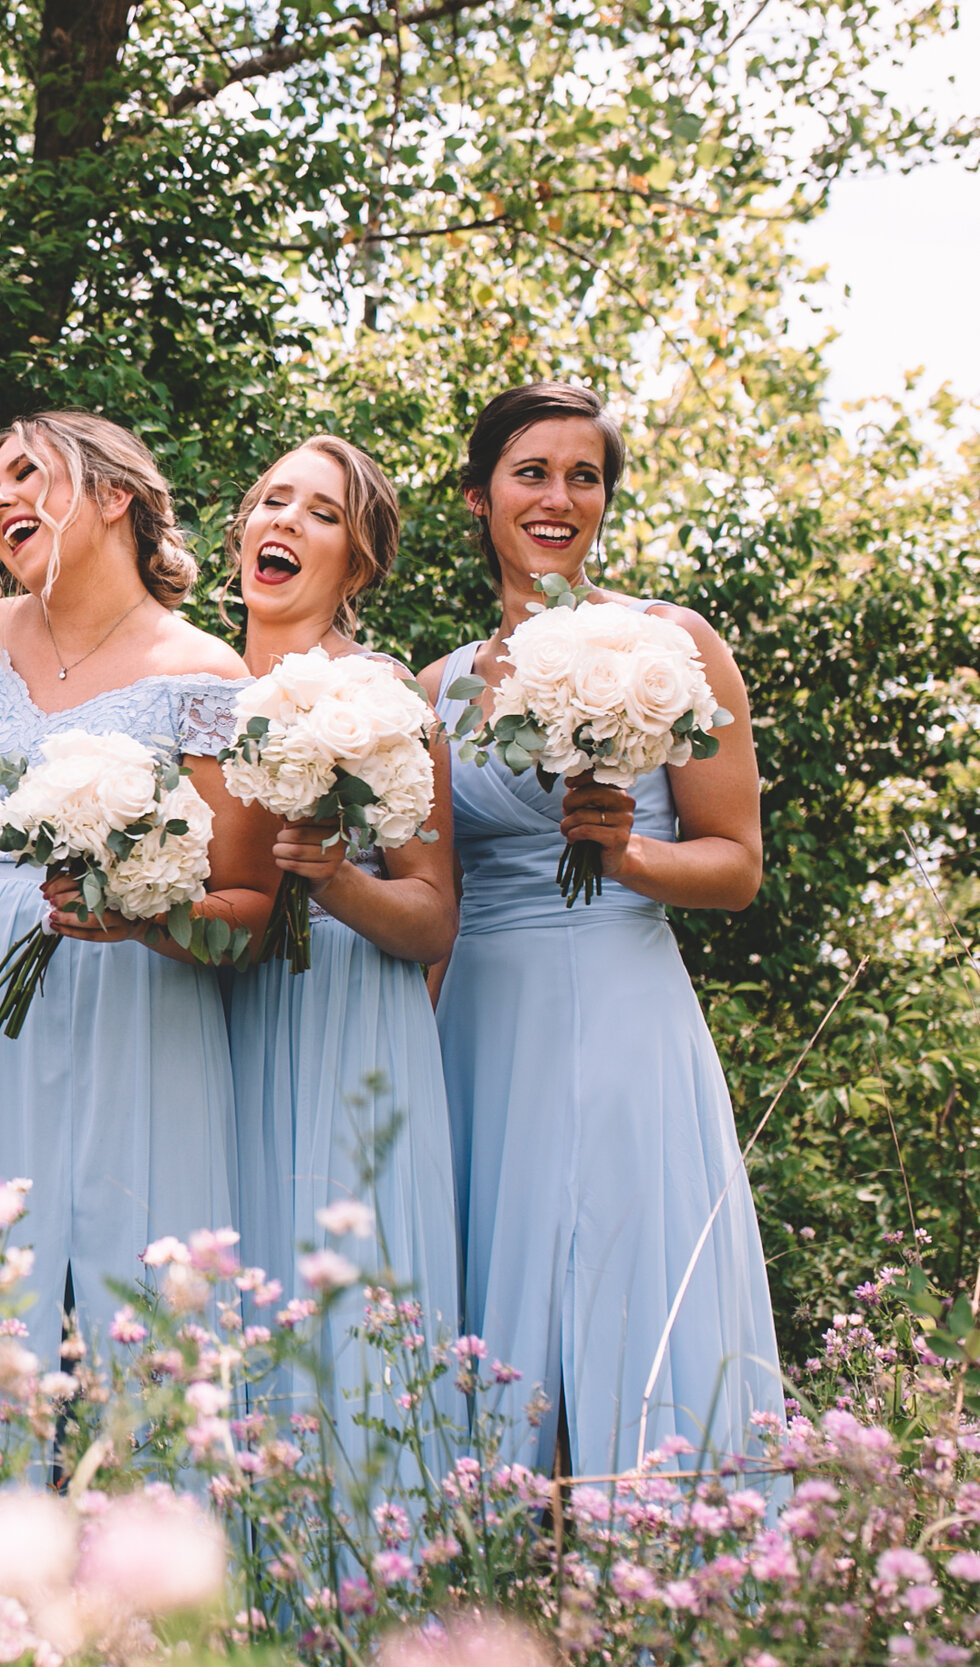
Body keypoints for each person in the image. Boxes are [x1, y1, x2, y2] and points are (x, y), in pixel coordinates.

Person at [421, 381, 781, 1476]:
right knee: (492, 1302)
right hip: (482, 1021)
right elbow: (436, 903)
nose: (559, 497)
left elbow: (736, 866)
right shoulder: (436, 689)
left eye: (585, 476)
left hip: (627, 1008)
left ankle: (666, 1570)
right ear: (478, 496)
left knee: (635, 1276)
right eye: (532, 472)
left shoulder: (669, 646)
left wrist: (626, 853)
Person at [0, 411, 280, 1367]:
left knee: (140, 1273)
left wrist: (142, 918)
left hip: (142, 999)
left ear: (115, 496)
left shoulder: (204, 668)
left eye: (28, 472)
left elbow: (246, 914)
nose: (1, 498)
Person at [220, 437, 464, 1475]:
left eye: (319, 512)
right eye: (271, 500)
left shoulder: (377, 690)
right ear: (238, 534)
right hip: (209, 1011)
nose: (283, 521)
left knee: (343, 1303)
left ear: (356, 562)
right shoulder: (184, 676)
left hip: (341, 1020)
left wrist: (335, 877)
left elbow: (432, 917)